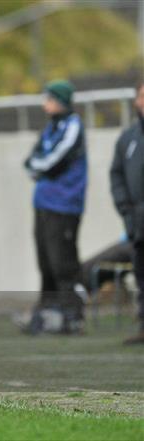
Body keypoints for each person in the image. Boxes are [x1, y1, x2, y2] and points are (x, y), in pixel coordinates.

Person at [22, 80, 88, 335]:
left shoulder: (73, 126)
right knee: (46, 261)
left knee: (63, 262)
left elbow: (54, 161)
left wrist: (37, 167)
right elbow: (31, 160)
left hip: (64, 204)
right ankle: (48, 313)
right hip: (44, 202)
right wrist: (36, 166)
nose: (44, 103)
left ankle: (71, 315)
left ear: (61, 100)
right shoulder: (51, 127)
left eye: (49, 98)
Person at [110, 81, 144, 345]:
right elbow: (117, 175)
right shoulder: (128, 138)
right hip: (138, 222)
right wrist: (127, 211)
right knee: (141, 275)